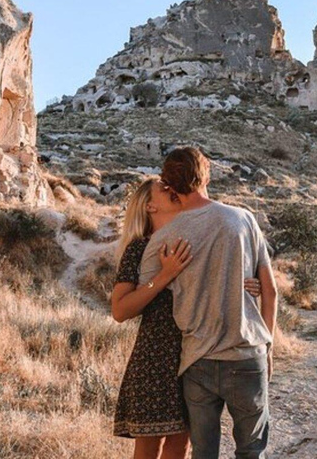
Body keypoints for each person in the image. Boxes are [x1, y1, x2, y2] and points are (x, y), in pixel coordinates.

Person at [137, 147, 279, 459]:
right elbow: (270, 291)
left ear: (170, 187)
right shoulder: (243, 219)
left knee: (203, 453)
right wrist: (267, 346)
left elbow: (139, 295)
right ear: (207, 175)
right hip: (245, 355)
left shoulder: (164, 238)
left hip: (197, 361)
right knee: (252, 451)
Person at [110, 178, 264, 459]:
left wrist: (249, 284)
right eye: (165, 190)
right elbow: (120, 310)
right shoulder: (140, 248)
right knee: (148, 447)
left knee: (182, 446)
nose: (174, 191)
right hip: (156, 358)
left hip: (196, 354)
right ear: (149, 206)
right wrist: (163, 275)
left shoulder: (196, 239)